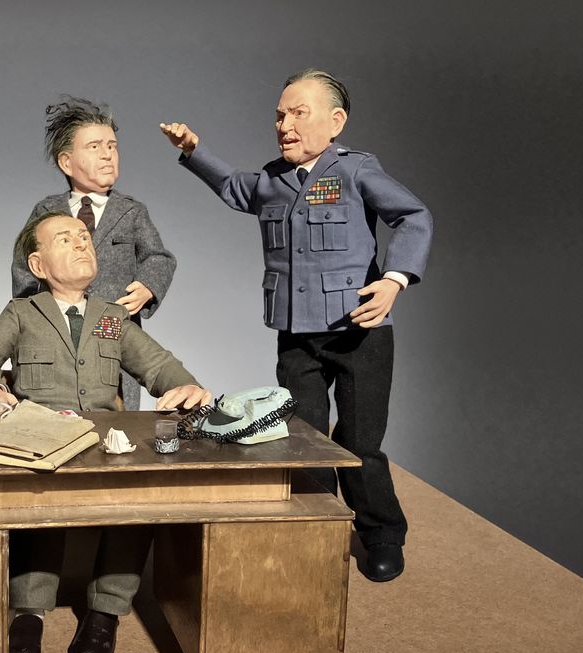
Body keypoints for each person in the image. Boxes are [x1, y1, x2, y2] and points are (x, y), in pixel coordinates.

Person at [160, 68, 433, 582]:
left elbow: (413, 216)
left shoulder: (355, 170)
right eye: (279, 116)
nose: (284, 125)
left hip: (358, 332)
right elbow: (233, 186)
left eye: (298, 113)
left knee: (360, 442)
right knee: (303, 440)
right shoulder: (272, 181)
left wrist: (394, 279)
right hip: (296, 335)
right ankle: (316, 532)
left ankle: (381, 533)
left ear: (336, 121)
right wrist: (194, 151)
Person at [0, 212, 210, 653]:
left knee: (134, 503)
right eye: (65, 239)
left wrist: (185, 385)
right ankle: (29, 610)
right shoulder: (22, 313)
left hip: (102, 442)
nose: (81, 244)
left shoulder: (110, 317)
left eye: (84, 237)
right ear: (38, 265)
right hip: (41, 436)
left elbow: (155, 363)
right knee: (36, 505)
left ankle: (106, 608)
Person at [12, 96, 177, 410]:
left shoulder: (130, 211)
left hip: (113, 327)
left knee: (114, 399)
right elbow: (24, 267)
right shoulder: (47, 212)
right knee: (57, 401)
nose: (107, 154)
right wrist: (33, 316)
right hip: (60, 331)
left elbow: (159, 257)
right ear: (66, 162)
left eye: (112, 146)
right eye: (94, 147)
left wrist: (148, 286)